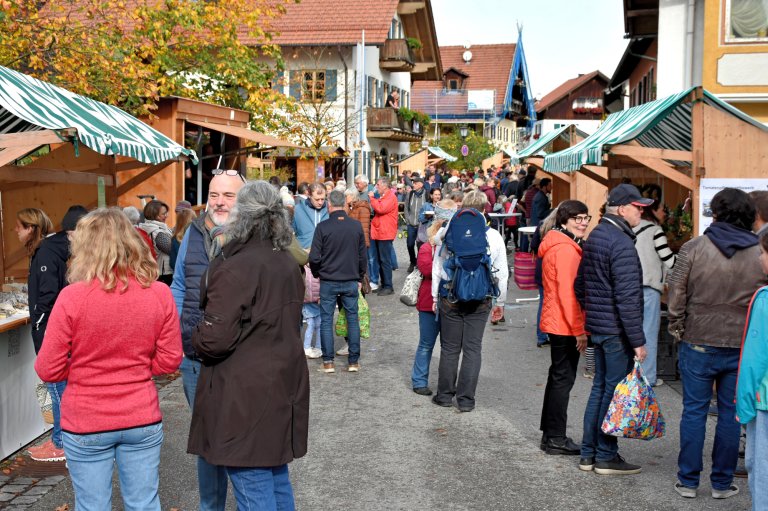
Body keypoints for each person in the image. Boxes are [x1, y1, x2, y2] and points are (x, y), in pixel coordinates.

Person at [35, 208, 182, 510]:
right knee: (144, 504)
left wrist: (81, 370)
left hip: (85, 418)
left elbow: (48, 367)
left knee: (92, 506)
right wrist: (137, 368)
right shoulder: (158, 293)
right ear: (132, 242)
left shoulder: (72, 297)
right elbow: (169, 361)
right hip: (140, 413)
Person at [188, 181, 309, 509]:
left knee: (253, 479)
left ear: (242, 214)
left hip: (246, 390)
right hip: (280, 379)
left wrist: (194, 337)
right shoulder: (282, 259)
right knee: (273, 474)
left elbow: (214, 339)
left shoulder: (238, 263)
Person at [668, 188, 767, 499]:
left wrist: (678, 326)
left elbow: (676, 293)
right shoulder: (759, 252)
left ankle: (688, 481)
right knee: (731, 413)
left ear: (716, 213)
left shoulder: (694, 247)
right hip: (742, 343)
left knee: (694, 411)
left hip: (698, 338)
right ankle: (722, 483)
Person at [171, 170, 244, 511]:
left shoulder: (254, 234)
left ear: (243, 199)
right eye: (215, 195)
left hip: (240, 357)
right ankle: (210, 506)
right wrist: (177, 333)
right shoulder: (194, 232)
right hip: (196, 355)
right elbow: (180, 285)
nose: (219, 202)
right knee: (207, 438)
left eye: (228, 195)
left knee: (243, 436)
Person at [575, 183, 650, 475]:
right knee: (612, 393)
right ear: (622, 209)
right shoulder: (620, 242)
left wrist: (596, 311)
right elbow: (627, 298)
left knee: (600, 390)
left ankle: (588, 454)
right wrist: (638, 341)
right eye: (637, 207)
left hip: (600, 326)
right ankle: (605, 455)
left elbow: (580, 286)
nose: (641, 212)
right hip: (616, 330)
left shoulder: (597, 236)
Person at [431, 191, 508, 412]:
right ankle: (466, 401)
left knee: (449, 348)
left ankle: (444, 395)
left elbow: (438, 266)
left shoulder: (449, 232)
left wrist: (435, 297)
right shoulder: (493, 236)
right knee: (473, 348)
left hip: (450, 295)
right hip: (481, 298)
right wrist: (500, 303)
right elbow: (501, 273)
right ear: (485, 209)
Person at [25, 205, 87, 463]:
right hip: (67, 328)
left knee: (58, 387)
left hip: (56, 329)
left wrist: (39, 324)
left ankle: (61, 442)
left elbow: (49, 294)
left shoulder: (52, 251)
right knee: (63, 386)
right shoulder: (76, 252)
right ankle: (65, 439)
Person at [538, 201, 590, 455]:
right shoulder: (566, 250)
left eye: (585, 218)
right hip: (564, 322)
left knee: (557, 378)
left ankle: (551, 434)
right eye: (577, 218)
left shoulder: (559, 245)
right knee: (562, 380)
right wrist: (579, 330)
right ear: (564, 221)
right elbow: (569, 295)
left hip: (556, 319)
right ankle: (556, 437)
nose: (582, 222)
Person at [309, 190, 367, 373]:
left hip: (328, 280)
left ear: (329, 205)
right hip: (350, 278)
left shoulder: (323, 227)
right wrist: (359, 276)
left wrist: (318, 274)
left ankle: (328, 362)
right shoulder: (356, 226)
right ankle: (353, 361)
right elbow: (362, 256)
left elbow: (314, 257)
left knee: (326, 320)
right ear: (345, 204)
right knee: (352, 319)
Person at [411, 199, 457, 396]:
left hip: (447, 301)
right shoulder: (426, 248)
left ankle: (444, 384)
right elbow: (426, 269)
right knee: (427, 343)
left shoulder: (445, 248)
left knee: (447, 347)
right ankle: (419, 380)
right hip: (429, 302)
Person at [736, 231, 768, 511]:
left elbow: (754, 360)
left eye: (764, 252)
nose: (760, 257)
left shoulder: (765, 299)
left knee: (762, 468)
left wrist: (743, 407)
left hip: (765, 399)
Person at [633, 188, 676, 387]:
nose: (665, 213)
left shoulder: (628, 227)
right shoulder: (654, 231)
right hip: (649, 288)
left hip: (629, 287)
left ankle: (631, 376)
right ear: (653, 211)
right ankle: (647, 378)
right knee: (648, 333)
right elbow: (669, 260)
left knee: (632, 332)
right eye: (662, 209)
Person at [369, 176, 399, 296]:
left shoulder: (391, 197)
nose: (376, 187)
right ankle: (385, 283)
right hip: (381, 232)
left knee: (385, 260)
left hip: (385, 233)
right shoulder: (384, 196)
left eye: (378, 185)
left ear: (385, 186)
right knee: (381, 260)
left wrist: (371, 198)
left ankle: (388, 286)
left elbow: (381, 209)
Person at [140, 200, 174, 285]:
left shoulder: (149, 228)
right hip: (164, 273)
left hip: (156, 270)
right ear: (154, 215)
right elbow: (172, 250)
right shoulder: (158, 233)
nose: (167, 216)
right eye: (163, 214)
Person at [293, 182, 328, 249]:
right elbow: (291, 234)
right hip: (304, 253)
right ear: (309, 195)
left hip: (326, 254)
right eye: (317, 199)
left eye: (322, 199)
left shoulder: (330, 209)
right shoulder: (297, 210)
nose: (320, 202)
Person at [404, 176, 427, 273]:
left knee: (420, 245)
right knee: (409, 244)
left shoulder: (427, 194)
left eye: (415, 183)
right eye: (413, 183)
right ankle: (412, 261)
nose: (413, 185)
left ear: (421, 184)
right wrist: (407, 219)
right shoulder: (410, 194)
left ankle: (419, 263)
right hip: (411, 224)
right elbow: (406, 207)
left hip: (422, 224)